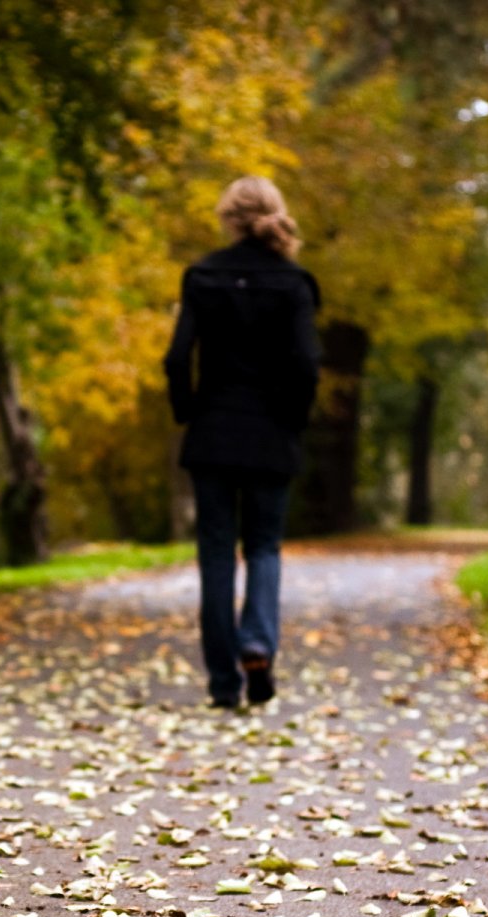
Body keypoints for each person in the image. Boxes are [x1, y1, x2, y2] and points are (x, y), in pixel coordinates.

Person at [162, 176, 321, 709]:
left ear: (228, 219)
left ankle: (224, 683)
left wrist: (188, 412)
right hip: (272, 435)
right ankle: (256, 642)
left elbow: (177, 357)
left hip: (212, 434)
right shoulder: (295, 283)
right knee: (263, 546)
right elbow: (307, 363)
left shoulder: (202, 277)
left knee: (215, 554)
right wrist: (294, 420)